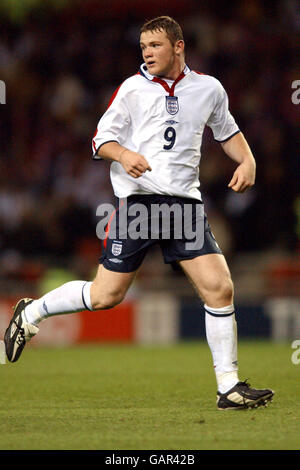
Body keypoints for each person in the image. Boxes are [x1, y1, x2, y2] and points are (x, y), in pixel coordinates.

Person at [5, 16, 274, 410]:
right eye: (143, 46)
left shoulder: (209, 89)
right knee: (105, 295)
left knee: (220, 287)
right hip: (139, 204)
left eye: (155, 45)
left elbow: (228, 132)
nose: (147, 53)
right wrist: (125, 154)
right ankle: (33, 311)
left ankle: (228, 387)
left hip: (184, 205)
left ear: (178, 46)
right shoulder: (133, 88)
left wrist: (247, 160)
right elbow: (101, 139)